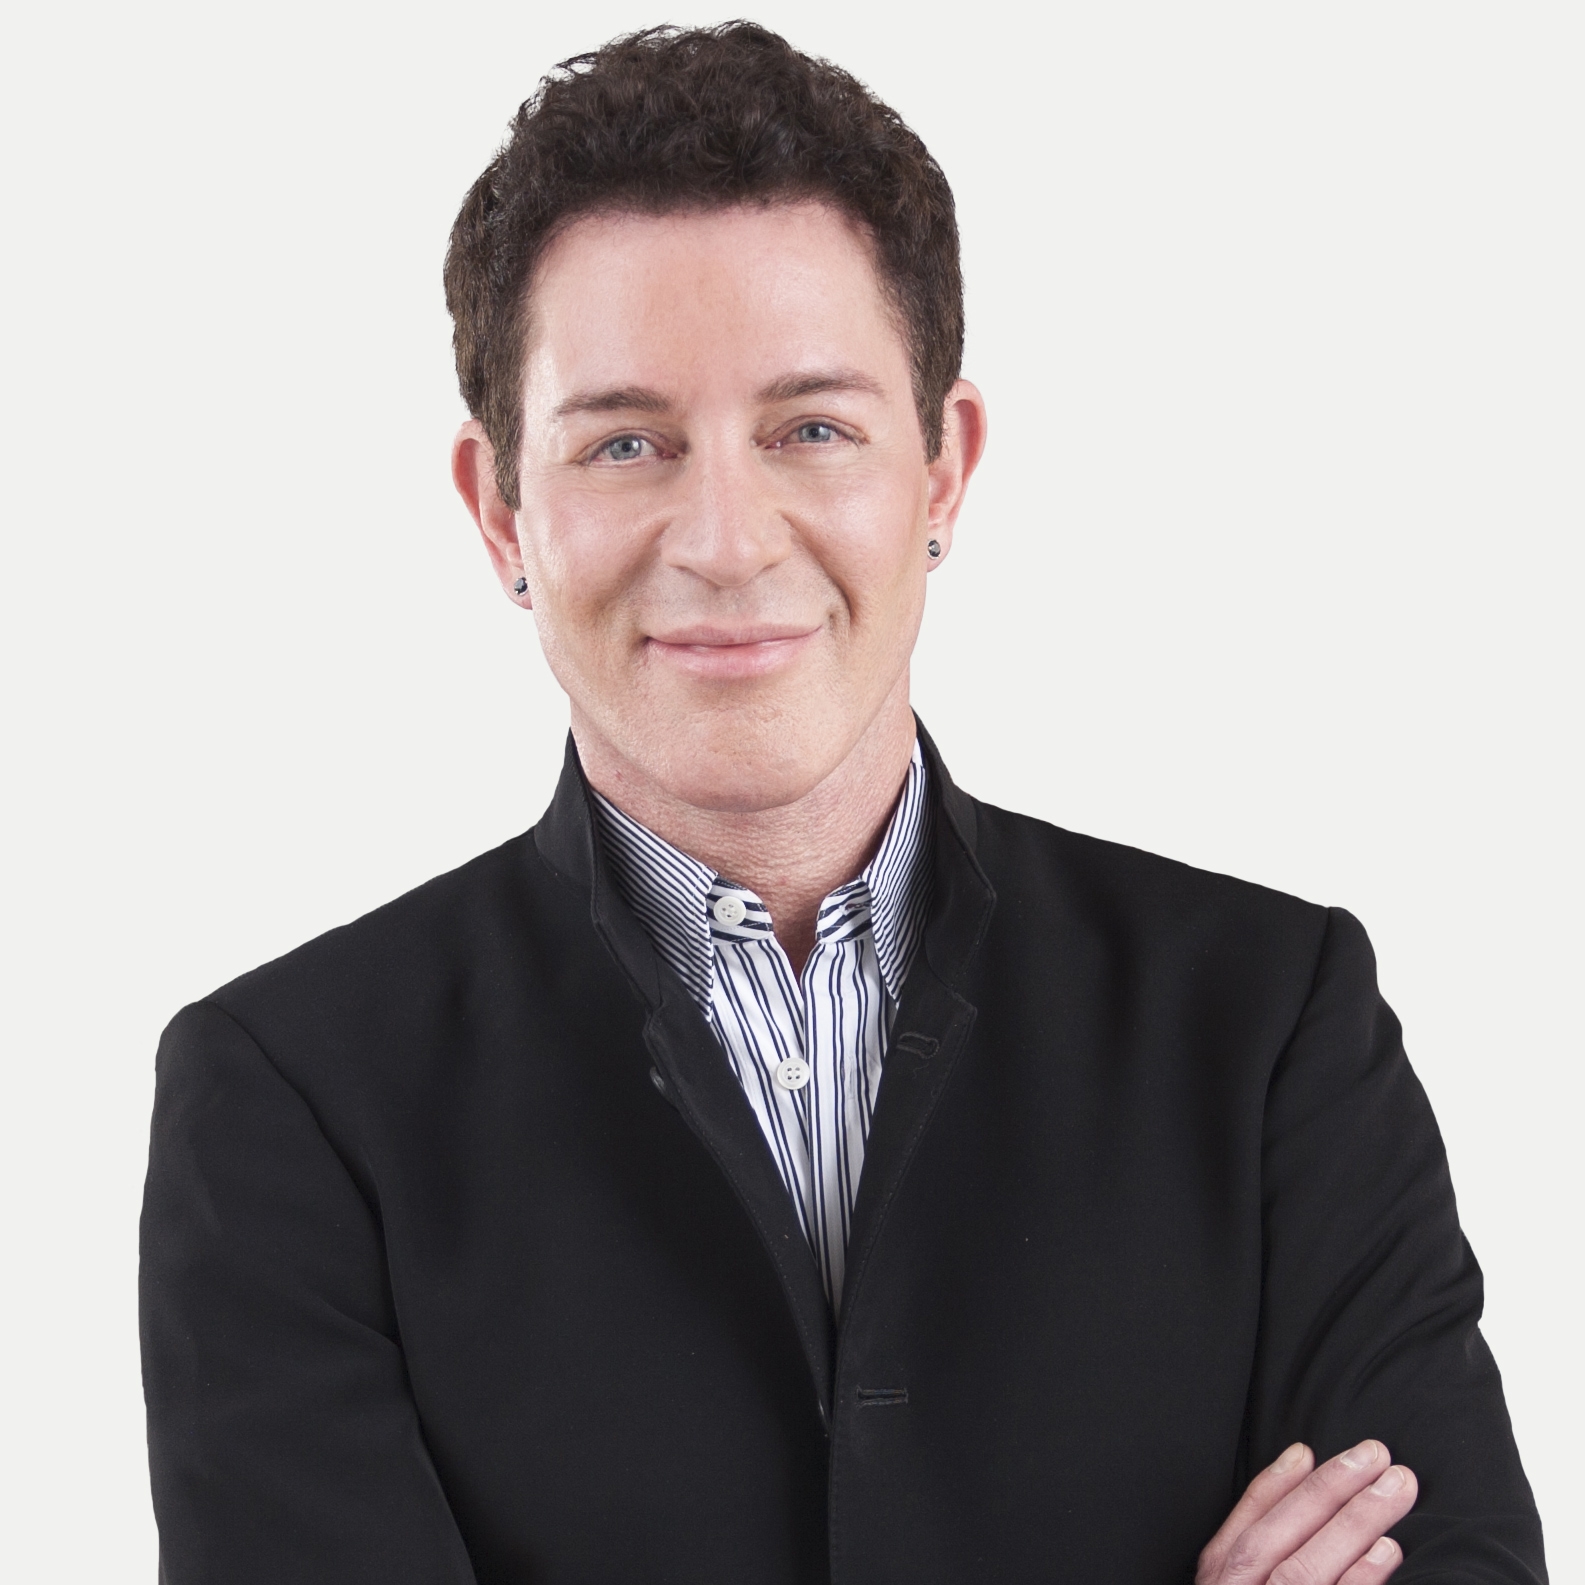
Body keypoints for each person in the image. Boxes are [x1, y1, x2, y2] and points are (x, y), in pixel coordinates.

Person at [138, 22, 1546, 1585]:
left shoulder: (1267, 1023)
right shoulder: (292, 1104)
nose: (727, 538)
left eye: (810, 428)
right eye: (625, 442)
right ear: (499, 509)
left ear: (941, 468)